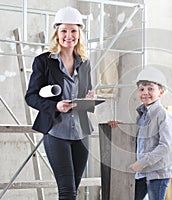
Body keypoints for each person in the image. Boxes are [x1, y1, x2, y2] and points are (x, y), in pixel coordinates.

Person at [25, 7, 95, 200]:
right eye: (64, 30)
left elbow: (83, 97)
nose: (69, 36)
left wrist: (89, 100)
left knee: (74, 188)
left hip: (81, 132)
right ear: (57, 33)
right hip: (56, 131)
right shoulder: (44, 62)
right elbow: (31, 96)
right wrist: (55, 106)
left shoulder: (84, 63)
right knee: (67, 192)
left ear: (79, 34)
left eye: (73, 31)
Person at [108, 67, 172, 200]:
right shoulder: (142, 114)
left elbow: (165, 147)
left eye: (150, 89)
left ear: (161, 92)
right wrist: (120, 126)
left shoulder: (163, 115)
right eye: (142, 89)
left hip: (157, 172)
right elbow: (140, 138)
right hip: (143, 171)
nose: (145, 93)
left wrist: (142, 163)